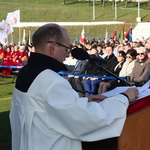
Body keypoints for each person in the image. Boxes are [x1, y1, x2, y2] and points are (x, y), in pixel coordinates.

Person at [9, 23, 139, 150]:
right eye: (66, 49)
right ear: (53, 48)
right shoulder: (51, 80)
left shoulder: (26, 71)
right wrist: (124, 98)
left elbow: (47, 109)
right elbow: (85, 120)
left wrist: (83, 101)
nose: (68, 54)